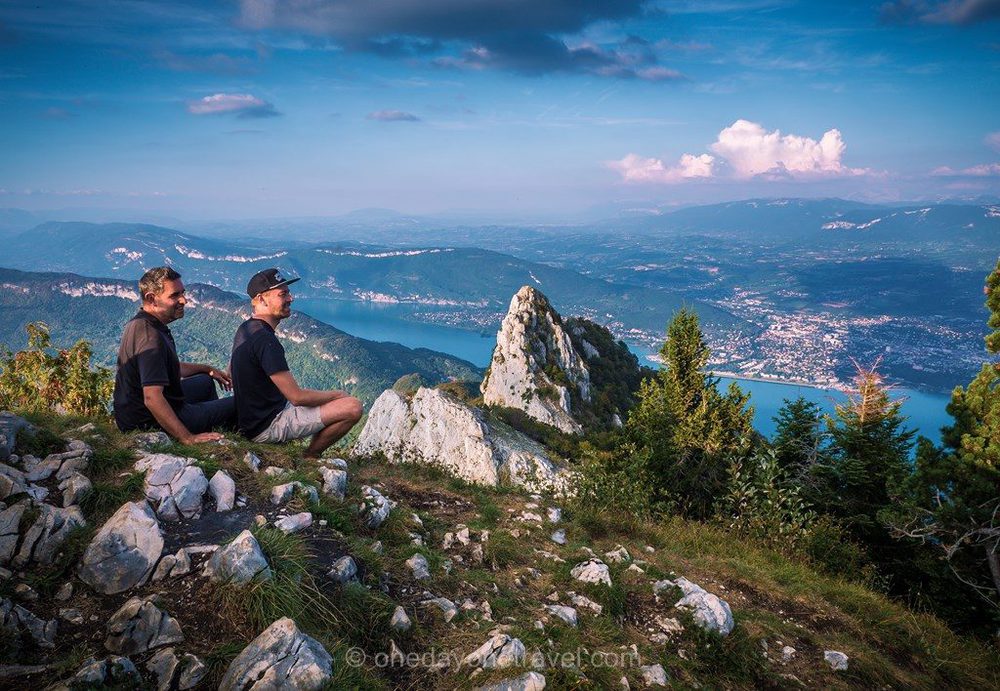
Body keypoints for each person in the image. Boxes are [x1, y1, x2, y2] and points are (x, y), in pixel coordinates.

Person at [231, 268, 363, 458]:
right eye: (283, 294)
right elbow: (297, 397)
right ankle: (310, 456)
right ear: (261, 299)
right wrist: (338, 394)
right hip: (267, 426)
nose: (291, 298)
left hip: (258, 417)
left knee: (322, 398)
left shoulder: (246, 328)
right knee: (352, 406)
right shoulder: (265, 340)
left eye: (289, 293)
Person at [113, 266, 236, 443]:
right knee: (240, 402)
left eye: (182, 293)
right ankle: (205, 435)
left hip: (133, 415)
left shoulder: (141, 323)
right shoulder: (151, 338)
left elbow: (164, 368)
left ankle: (210, 429)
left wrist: (207, 369)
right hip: (148, 423)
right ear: (151, 299)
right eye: (174, 295)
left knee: (206, 382)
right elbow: (152, 398)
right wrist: (187, 438)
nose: (184, 300)